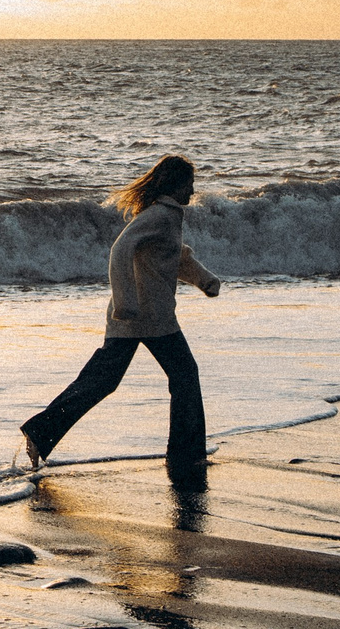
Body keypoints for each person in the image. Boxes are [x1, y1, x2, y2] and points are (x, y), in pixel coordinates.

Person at [19, 153, 221, 484]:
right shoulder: (159, 215)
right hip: (146, 317)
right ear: (175, 184)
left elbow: (172, 258)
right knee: (184, 375)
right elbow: (121, 249)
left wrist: (205, 280)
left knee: (103, 380)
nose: (193, 190)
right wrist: (125, 303)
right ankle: (187, 455)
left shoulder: (168, 216)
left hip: (144, 317)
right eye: (190, 183)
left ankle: (41, 432)